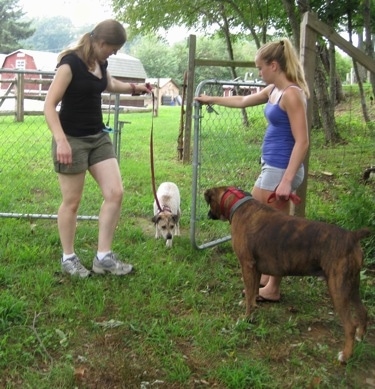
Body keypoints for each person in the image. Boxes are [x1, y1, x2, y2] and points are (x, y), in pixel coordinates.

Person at [195, 38, 310, 302]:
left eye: (260, 68)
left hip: (281, 170)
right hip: (273, 166)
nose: (259, 73)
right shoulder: (274, 90)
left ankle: (273, 287)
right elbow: (244, 100)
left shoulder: (292, 93)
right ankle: (269, 281)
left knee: (268, 230)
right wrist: (210, 98)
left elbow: (302, 141)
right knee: (269, 228)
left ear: (274, 65)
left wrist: (287, 180)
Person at [44, 19, 151, 278]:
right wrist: (61, 140)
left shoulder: (100, 63)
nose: (113, 54)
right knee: (72, 202)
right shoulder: (70, 64)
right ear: (101, 43)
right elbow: (49, 105)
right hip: (72, 139)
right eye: (112, 49)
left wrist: (135, 88)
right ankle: (68, 258)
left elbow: (108, 84)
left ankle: (103, 258)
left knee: (115, 193)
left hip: (98, 137)